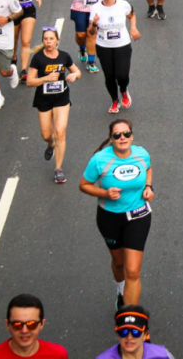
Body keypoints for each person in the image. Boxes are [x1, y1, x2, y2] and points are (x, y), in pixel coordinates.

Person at [80, 119, 154, 309]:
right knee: (119, 263)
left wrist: (148, 186)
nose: (123, 138)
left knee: (133, 271)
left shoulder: (141, 154)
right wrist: (104, 193)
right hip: (110, 218)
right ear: (111, 139)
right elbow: (84, 185)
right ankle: (121, 292)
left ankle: (131, 319)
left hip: (138, 215)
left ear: (132, 135)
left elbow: (148, 168)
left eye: (126, 134)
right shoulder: (99, 160)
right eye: (117, 135)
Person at [27, 27, 81, 184]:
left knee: (60, 132)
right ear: (43, 41)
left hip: (61, 98)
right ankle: (51, 144)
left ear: (57, 40)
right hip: (43, 99)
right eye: (46, 39)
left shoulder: (64, 56)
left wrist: (74, 75)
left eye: (51, 39)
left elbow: (77, 71)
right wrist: (46, 78)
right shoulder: (38, 58)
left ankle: (58, 169)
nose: (48, 42)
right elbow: (30, 81)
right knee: (46, 134)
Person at [88, 0, 141, 113]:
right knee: (109, 76)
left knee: (122, 75)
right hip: (103, 46)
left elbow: (132, 15)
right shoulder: (95, 8)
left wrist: (133, 27)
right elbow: (91, 32)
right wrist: (94, 23)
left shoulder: (123, 4)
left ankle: (123, 90)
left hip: (122, 44)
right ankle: (114, 101)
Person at [0, 294, 68, 358]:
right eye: (17, 325)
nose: (24, 330)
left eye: (31, 324)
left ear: (42, 324)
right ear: (7, 325)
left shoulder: (58, 355)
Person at [96, 305, 175, 359]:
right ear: (117, 333)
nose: (129, 337)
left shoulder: (162, 355)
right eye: (124, 331)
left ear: (145, 334)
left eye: (135, 332)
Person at [1, 0, 42, 82]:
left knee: (26, 41)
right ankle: (13, 58)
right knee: (14, 40)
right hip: (13, 12)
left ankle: (23, 70)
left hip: (28, 10)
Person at [67, 0, 101, 73]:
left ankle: (91, 62)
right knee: (81, 35)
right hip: (80, 6)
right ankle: (82, 48)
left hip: (97, 6)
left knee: (92, 34)